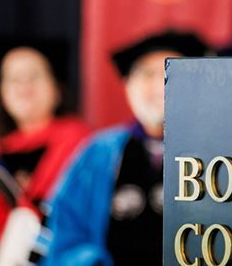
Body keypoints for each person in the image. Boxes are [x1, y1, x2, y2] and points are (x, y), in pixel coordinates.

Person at [41, 30, 207, 266]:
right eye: (147, 74)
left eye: (172, 72)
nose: (160, 84)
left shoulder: (216, 151)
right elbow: (65, 233)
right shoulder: (100, 153)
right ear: (128, 85)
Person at [0, 40, 90, 261]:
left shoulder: (84, 144)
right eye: (14, 78)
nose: (24, 86)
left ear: (56, 88)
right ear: (1, 92)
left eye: (34, 76)